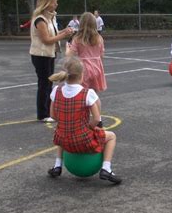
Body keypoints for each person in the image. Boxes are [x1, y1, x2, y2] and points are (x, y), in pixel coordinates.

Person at [47, 56, 122, 184]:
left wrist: (67, 121)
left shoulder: (56, 90)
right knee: (111, 136)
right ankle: (106, 168)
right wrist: (90, 127)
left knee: (62, 131)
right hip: (82, 141)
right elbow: (97, 119)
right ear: (82, 76)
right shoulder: (88, 93)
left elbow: (53, 116)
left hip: (63, 141)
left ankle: (57, 165)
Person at [29, 0, 74, 122]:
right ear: (47, 2)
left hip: (49, 53)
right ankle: (43, 114)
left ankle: (48, 111)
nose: (56, 4)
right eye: (54, 2)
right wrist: (63, 35)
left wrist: (63, 31)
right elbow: (46, 40)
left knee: (48, 82)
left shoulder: (50, 17)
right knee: (44, 83)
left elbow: (53, 34)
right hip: (40, 55)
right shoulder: (40, 20)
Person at [66, 12, 107, 127]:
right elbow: (101, 54)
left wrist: (67, 48)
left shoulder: (78, 38)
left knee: (82, 95)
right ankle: (98, 118)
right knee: (94, 95)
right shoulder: (99, 38)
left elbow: (70, 55)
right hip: (96, 67)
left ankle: (81, 119)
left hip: (83, 68)